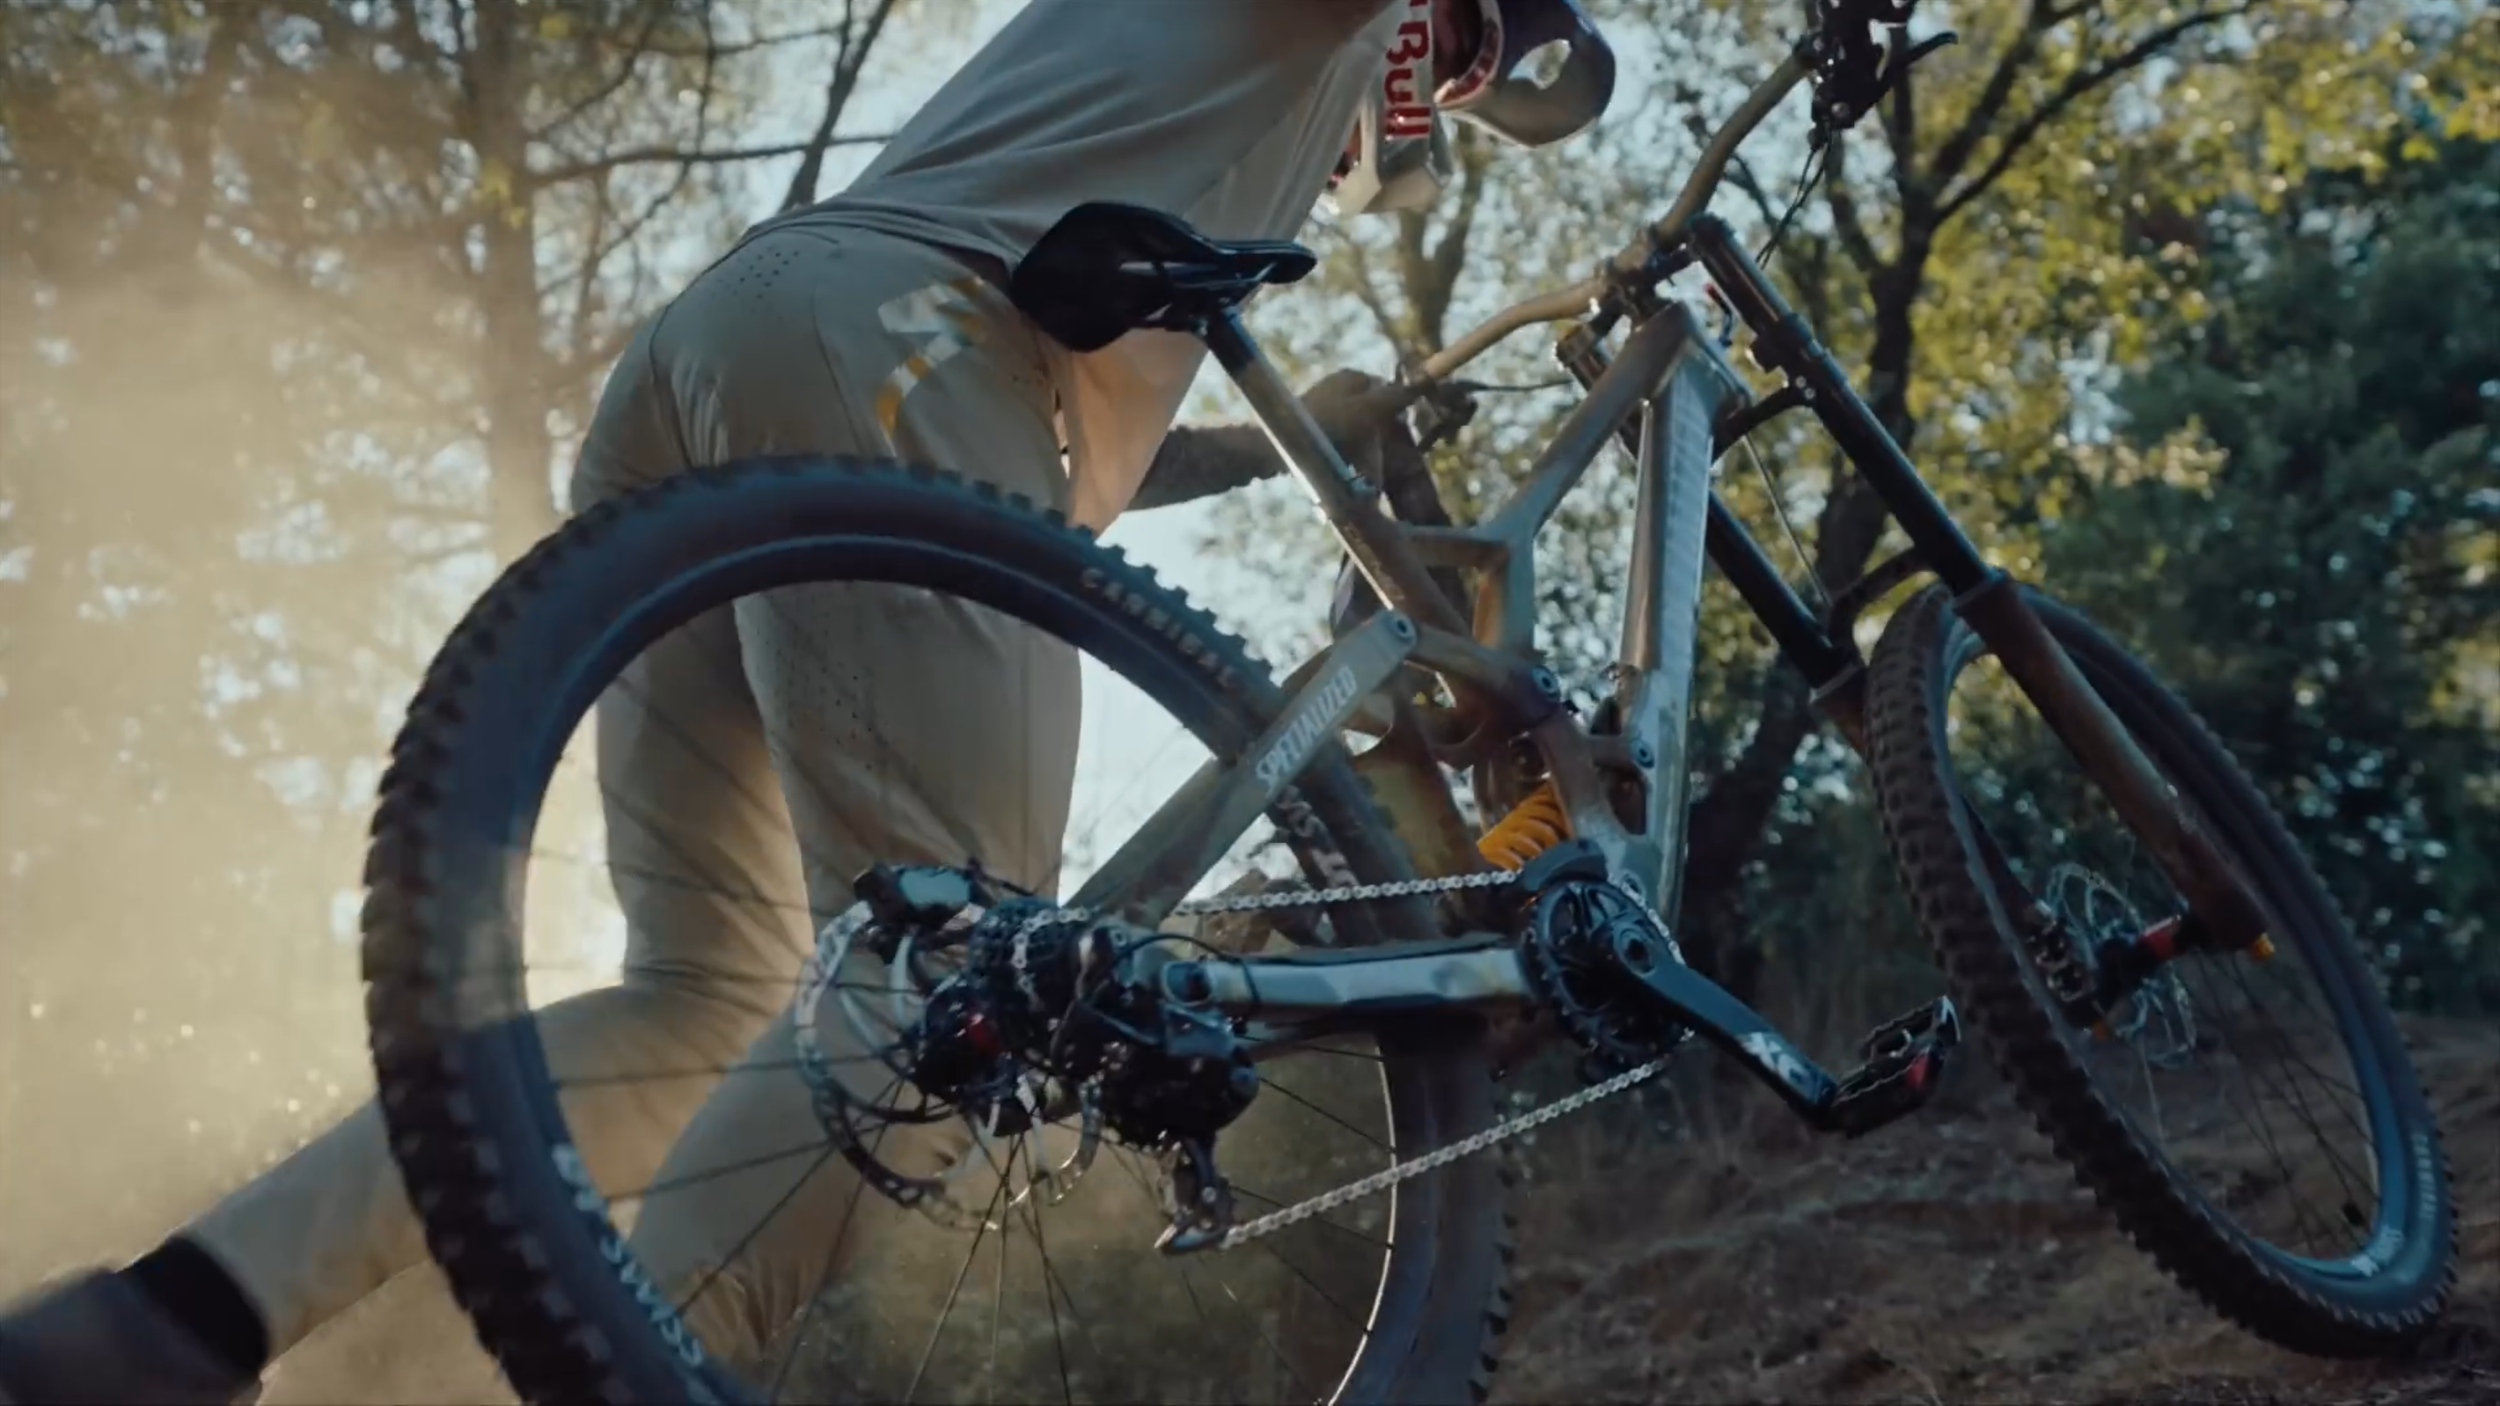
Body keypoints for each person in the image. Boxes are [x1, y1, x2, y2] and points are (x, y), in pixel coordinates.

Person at [0, 1, 1614, 1400]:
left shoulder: (1157, 103)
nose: (1413, 119)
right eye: (1447, 72)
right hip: (907, 349)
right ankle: (626, 1368)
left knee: (705, 997)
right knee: (961, 971)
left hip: (745, 349)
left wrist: (1277, 436)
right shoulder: (1325, 30)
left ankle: (173, 1319)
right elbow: (969, 398)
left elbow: (1036, 462)